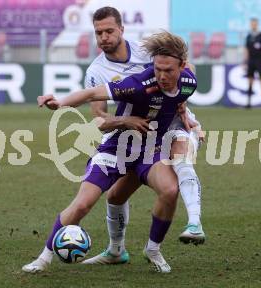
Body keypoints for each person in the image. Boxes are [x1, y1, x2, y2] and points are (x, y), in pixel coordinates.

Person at [22, 31, 197, 274]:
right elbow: (92, 94)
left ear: (182, 66)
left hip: (151, 152)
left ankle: (153, 249)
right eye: (158, 68)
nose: (162, 75)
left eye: (168, 70)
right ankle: (43, 258)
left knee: (169, 190)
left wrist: (186, 115)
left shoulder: (189, 81)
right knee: (83, 204)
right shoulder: (138, 84)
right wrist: (60, 102)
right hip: (116, 149)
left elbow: (184, 91)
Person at [80, 7, 206, 266]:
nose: (103, 37)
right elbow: (98, 118)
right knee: (115, 196)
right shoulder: (96, 71)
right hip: (137, 135)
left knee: (177, 171)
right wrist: (125, 121)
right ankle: (116, 251)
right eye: (98, 32)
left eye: (109, 31)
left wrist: (181, 103)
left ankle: (192, 224)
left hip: (170, 125)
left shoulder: (145, 52)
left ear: (122, 29)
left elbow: (185, 67)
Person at [244, 17, 261, 108]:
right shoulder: (248, 36)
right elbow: (246, 50)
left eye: (254, 23)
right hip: (251, 61)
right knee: (250, 81)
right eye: (252, 23)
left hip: (259, 61)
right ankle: (248, 102)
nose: (253, 25)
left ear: (257, 24)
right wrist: (245, 62)